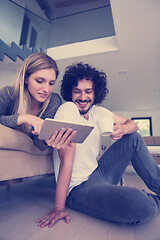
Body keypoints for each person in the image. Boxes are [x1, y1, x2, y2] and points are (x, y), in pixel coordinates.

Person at [37, 62, 160, 228]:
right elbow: (66, 159)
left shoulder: (99, 112)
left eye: (88, 91)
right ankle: (147, 200)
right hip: (79, 187)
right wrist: (59, 207)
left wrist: (123, 129)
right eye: (77, 91)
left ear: (96, 93)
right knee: (142, 205)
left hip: (100, 171)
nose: (82, 97)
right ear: (70, 92)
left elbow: (133, 124)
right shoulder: (68, 109)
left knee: (133, 137)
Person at [0, 52, 76, 224]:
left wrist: (48, 139)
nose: (46, 89)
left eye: (51, 83)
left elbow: (40, 145)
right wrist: (24, 118)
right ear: (26, 78)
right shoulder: (9, 94)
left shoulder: (54, 100)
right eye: (39, 81)